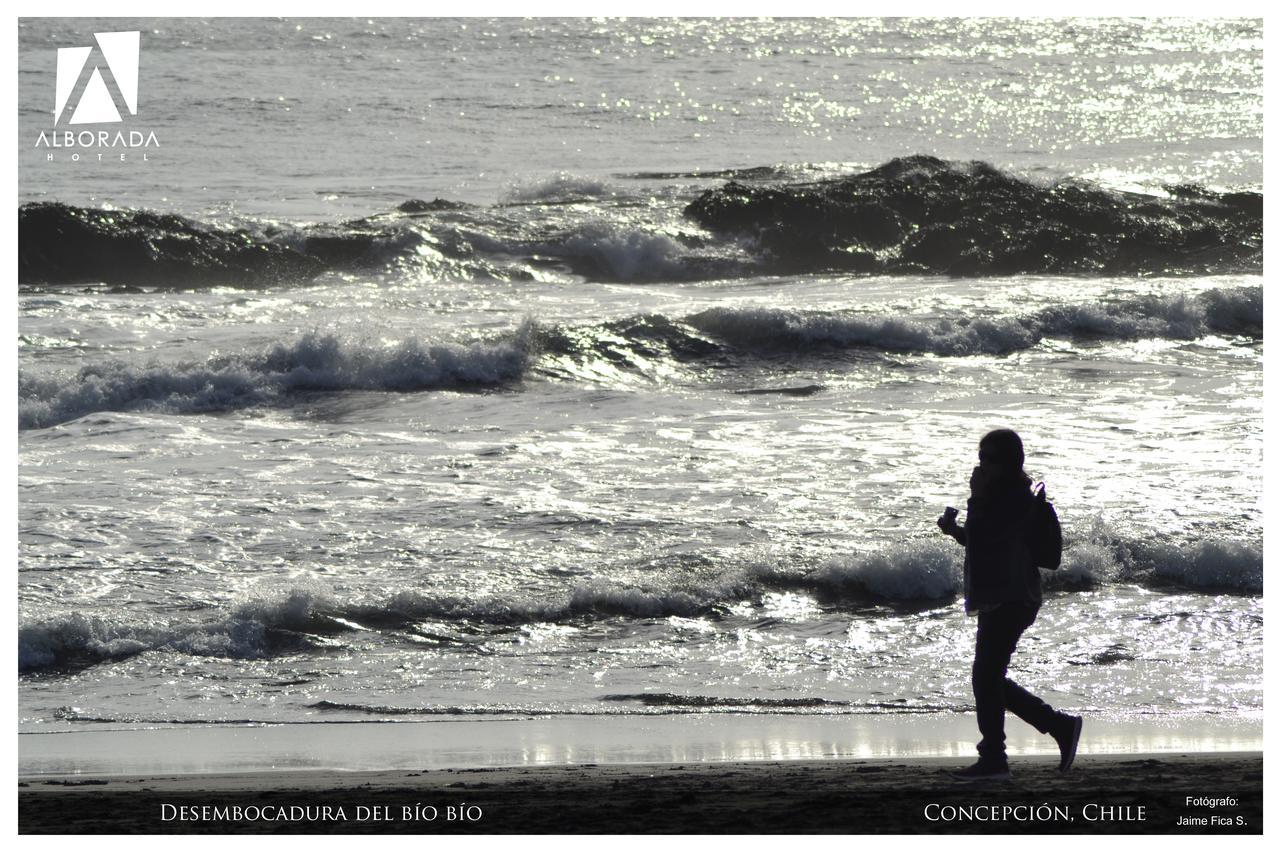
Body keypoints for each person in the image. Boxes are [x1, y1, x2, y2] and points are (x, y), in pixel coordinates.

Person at [937, 428, 1082, 782]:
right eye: (980, 458)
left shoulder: (1011, 498)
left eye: (987, 458)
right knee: (989, 677)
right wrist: (955, 530)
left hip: (1011, 596)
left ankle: (995, 756)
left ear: (1005, 462)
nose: (980, 466)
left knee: (986, 676)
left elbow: (991, 536)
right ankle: (1057, 726)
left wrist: (975, 498)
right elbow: (985, 542)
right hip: (1004, 595)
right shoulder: (1007, 496)